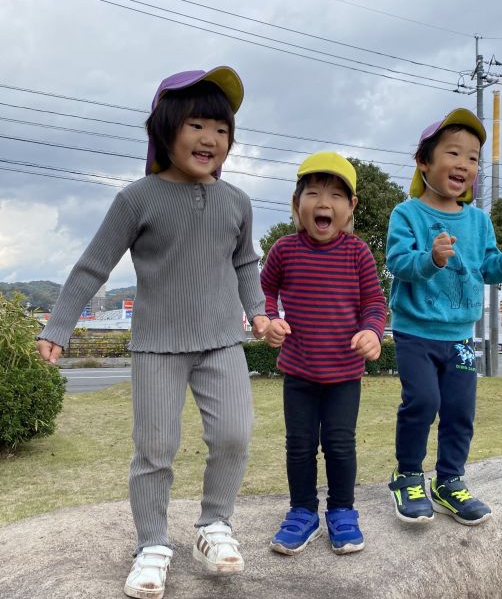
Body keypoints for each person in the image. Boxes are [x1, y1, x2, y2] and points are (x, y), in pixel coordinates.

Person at [36, 66, 270, 599]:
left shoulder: (237, 201)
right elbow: (94, 266)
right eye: (197, 125)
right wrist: (59, 325)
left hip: (221, 342)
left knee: (234, 434)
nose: (211, 139)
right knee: (155, 448)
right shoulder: (137, 198)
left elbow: (245, 264)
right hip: (157, 344)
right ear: (165, 129)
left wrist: (257, 313)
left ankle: (214, 527)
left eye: (222, 129)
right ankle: (151, 544)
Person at [386, 108, 502, 527]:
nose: (465, 165)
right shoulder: (408, 214)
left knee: (459, 408)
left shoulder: (479, 220)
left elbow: (488, 268)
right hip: (415, 331)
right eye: (454, 153)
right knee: (424, 401)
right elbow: (396, 262)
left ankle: (450, 480)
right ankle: (409, 475)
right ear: (423, 161)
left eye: (473, 158)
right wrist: (430, 259)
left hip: (461, 338)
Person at [260, 152, 387, 556]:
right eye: (312, 192)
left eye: (335, 195)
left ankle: (342, 511)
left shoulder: (358, 254)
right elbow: (262, 292)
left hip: (344, 375)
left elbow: (374, 303)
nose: (323, 202)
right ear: (298, 203)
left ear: (351, 207)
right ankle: (302, 512)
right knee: (298, 445)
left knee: (340, 444)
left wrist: (372, 330)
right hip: (298, 370)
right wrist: (267, 320)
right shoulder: (283, 250)